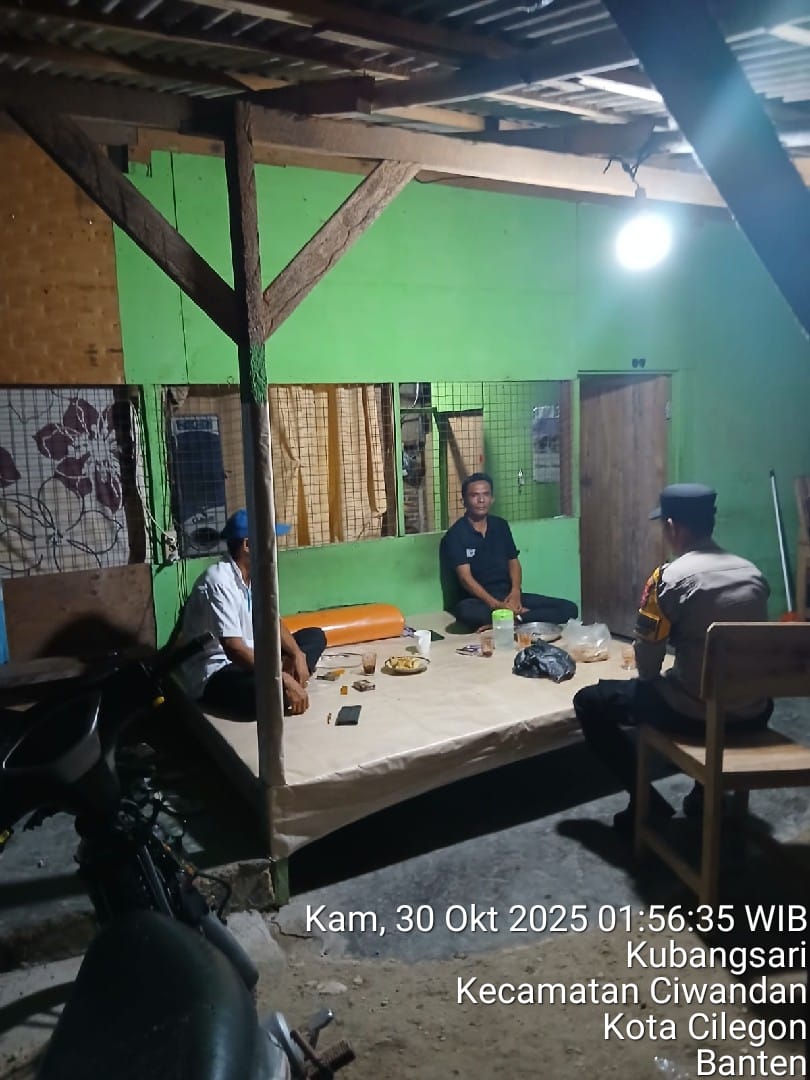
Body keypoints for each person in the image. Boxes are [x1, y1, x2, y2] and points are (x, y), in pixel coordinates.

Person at [573, 483, 772, 834]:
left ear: (672, 527)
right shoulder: (753, 574)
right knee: (709, 684)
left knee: (590, 701)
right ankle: (703, 795)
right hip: (753, 713)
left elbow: (648, 668)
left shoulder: (670, 578)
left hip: (695, 715)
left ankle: (646, 803)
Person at [181, 509, 325, 718]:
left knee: (314, 636)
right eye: (270, 539)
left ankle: (283, 681)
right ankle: (282, 684)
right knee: (265, 694)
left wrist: (296, 653)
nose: (274, 546)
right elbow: (234, 649)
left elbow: (273, 621)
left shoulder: (255, 576)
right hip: (219, 671)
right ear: (247, 545)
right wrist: (282, 678)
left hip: (254, 658)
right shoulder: (218, 581)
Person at [439, 472, 578, 630]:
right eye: (474, 495)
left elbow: (514, 562)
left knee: (569, 608)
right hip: (478, 601)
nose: (481, 500)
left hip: (508, 595)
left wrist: (515, 593)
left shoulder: (500, 526)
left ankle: (513, 620)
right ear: (463, 501)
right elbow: (466, 579)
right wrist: (496, 605)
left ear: (492, 498)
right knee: (466, 613)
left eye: (486, 494)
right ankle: (518, 618)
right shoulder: (456, 534)